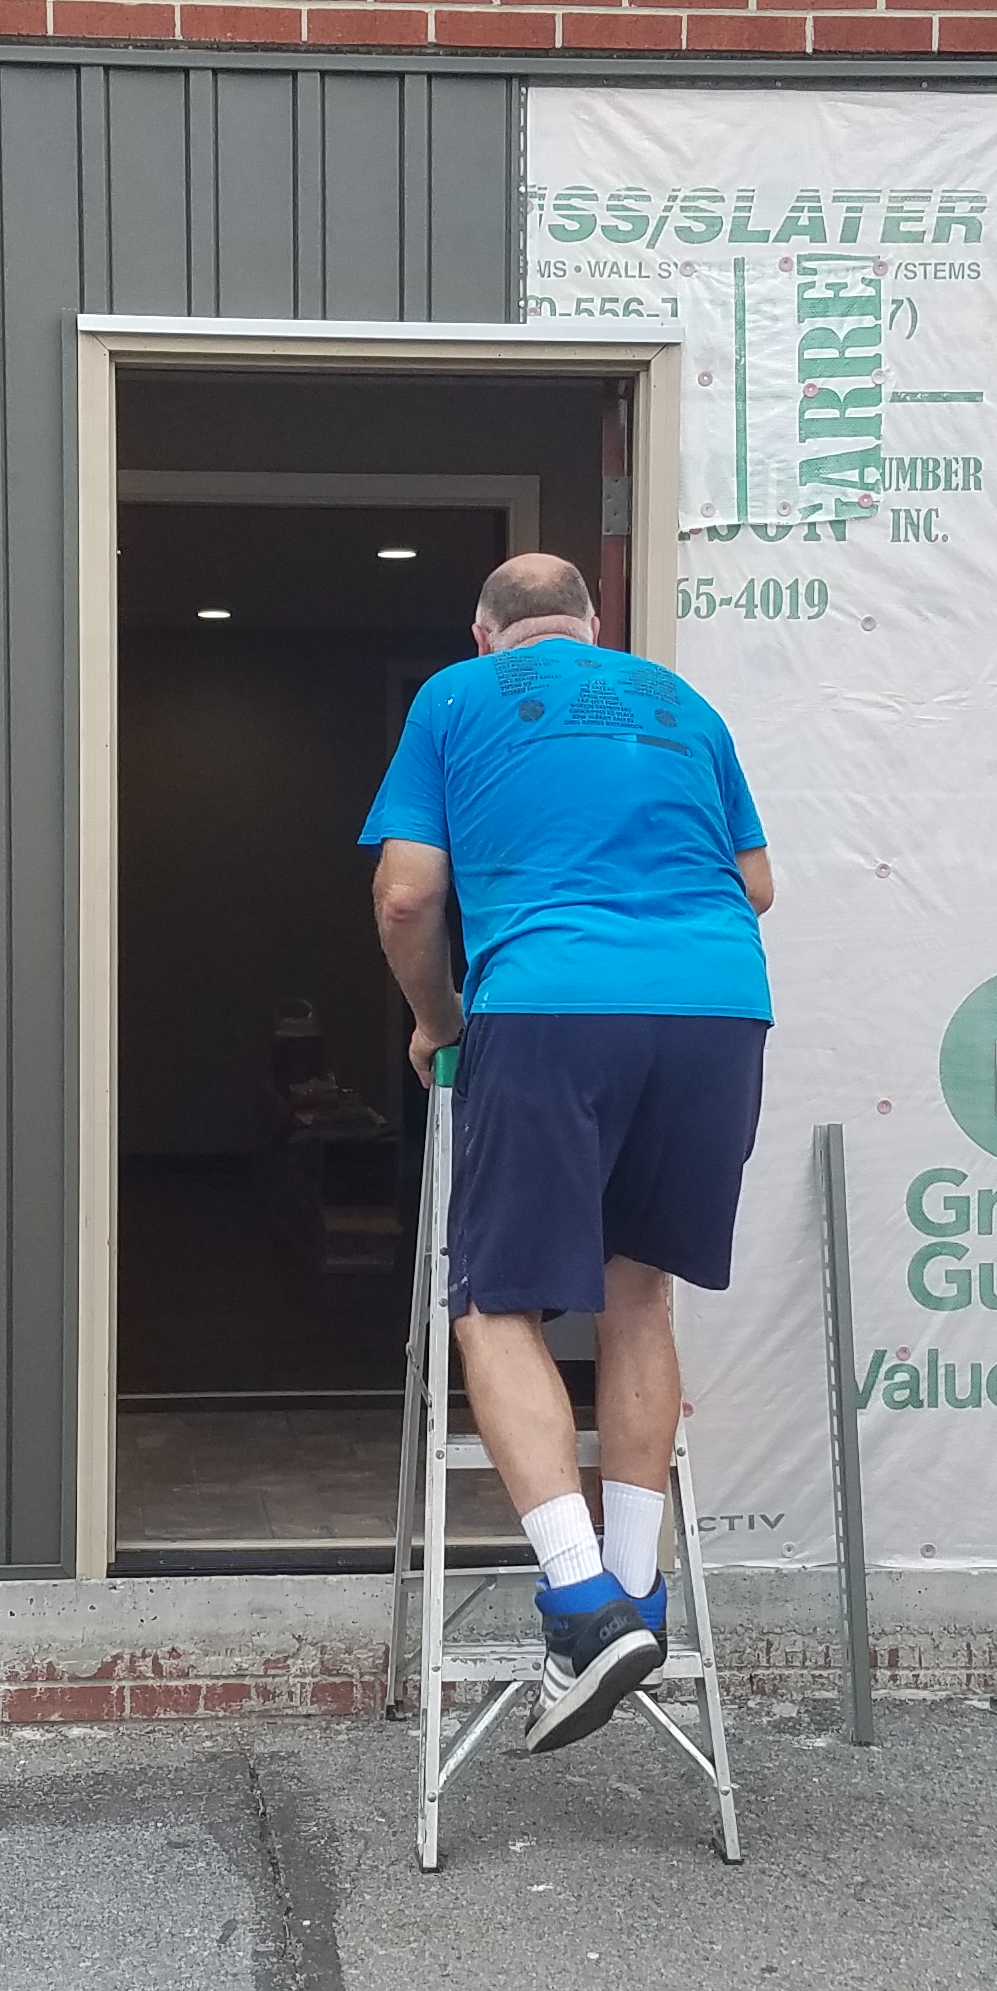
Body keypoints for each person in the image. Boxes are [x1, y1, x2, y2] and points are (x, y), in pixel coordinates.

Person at [362, 551, 777, 1752]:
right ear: (594, 626)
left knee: (494, 1307)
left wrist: (438, 1023)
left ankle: (584, 1606)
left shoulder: (455, 696)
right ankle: (638, 1592)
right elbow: (754, 884)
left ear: (485, 632)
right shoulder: (678, 701)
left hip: (550, 1003)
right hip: (717, 1006)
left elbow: (405, 897)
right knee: (635, 1292)